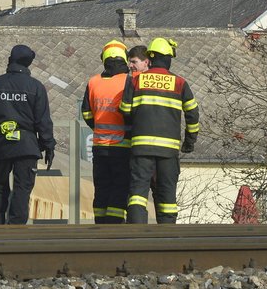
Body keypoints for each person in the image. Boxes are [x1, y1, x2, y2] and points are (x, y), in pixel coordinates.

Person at [119, 37, 200, 224]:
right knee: (167, 193)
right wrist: (189, 142)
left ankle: (136, 236)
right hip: (168, 150)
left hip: (141, 147)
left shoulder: (135, 81)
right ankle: (168, 239)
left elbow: (124, 110)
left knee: (138, 193)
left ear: (151, 58)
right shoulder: (180, 83)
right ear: (169, 58)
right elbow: (193, 114)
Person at [0, 44, 55, 224]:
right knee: (22, 189)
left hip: (0, 145)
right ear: (29, 64)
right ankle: (16, 233)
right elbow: (43, 122)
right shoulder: (36, 87)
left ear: (10, 60)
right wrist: (48, 146)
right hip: (26, 146)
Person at [80, 39, 132, 223]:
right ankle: (115, 228)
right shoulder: (129, 80)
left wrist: (98, 127)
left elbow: (86, 112)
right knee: (119, 187)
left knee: (101, 187)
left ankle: (100, 226)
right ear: (124, 59)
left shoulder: (93, 82)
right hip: (123, 144)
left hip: (99, 145)